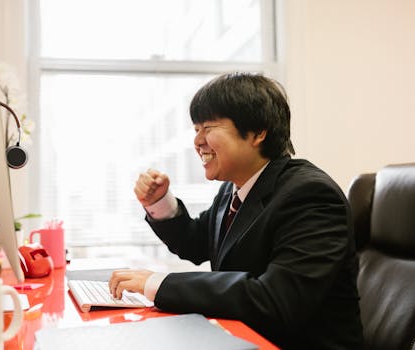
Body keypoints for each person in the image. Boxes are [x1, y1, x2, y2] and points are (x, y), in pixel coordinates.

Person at [108, 72, 364, 349]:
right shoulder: (235, 188)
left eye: (208, 127)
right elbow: (195, 243)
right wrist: (159, 202)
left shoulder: (310, 195)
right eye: (196, 129)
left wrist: (158, 284)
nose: (197, 141)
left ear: (257, 133)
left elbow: (273, 300)